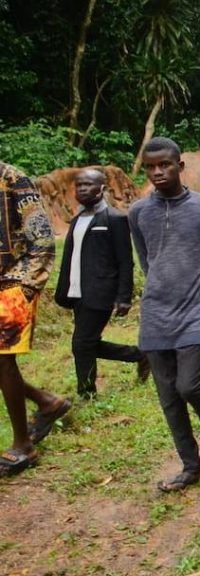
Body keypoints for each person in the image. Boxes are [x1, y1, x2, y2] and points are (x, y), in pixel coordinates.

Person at [128, 137, 200, 492]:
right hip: (156, 314)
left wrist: (196, 287)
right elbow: (147, 261)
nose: (157, 172)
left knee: (189, 385)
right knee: (169, 397)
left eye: (165, 165)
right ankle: (190, 466)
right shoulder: (138, 213)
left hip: (196, 312)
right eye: (150, 167)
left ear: (180, 166)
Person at [0, 162, 70, 477]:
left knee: (3, 359)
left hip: (12, 283)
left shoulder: (12, 179)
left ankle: (23, 445)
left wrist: (27, 285)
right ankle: (47, 402)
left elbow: (41, 238)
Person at [55, 168, 148, 399]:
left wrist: (124, 297)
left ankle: (87, 394)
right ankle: (141, 355)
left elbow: (125, 261)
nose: (82, 189)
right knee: (87, 343)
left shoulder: (114, 219)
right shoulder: (77, 219)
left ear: (102, 188)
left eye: (88, 185)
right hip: (76, 292)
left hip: (100, 292)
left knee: (81, 344)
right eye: (79, 185)